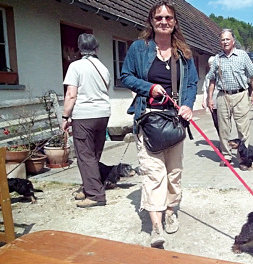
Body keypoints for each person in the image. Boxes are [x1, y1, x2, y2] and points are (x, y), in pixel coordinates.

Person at [120, 0, 198, 247]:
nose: (163, 22)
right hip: (149, 119)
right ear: (151, 22)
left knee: (174, 173)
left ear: (175, 22)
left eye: (168, 18)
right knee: (154, 174)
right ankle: (156, 227)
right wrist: (149, 87)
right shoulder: (138, 48)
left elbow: (192, 83)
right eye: (158, 18)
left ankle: (171, 211)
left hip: (175, 122)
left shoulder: (184, 52)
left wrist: (187, 105)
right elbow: (126, 76)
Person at [62, 33, 111, 208]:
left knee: (85, 156)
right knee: (94, 154)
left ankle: (96, 195)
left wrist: (65, 117)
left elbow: (71, 94)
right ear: (96, 48)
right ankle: (89, 187)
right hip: (103, 114)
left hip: (84, 116)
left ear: (79, 49)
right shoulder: (103, 68)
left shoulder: (75, 66)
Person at [207, 29, 253, 167]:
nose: (225, 42)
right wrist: (209, 98)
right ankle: (226, 156)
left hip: (241, 95)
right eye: (222, 40)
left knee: (243, 129)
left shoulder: (242, 56)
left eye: (227, 39)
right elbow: (211, 79)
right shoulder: (217, 58)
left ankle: (243, 157)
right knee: (224, 128)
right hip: (223, 96)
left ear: (233, 41)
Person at [202, 56, 219, 136]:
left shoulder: (221, 74)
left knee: (224, 123)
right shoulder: (207, 76)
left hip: (221, 101)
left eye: (212, 64)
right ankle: (222, 140)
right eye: (209, 64)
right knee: (216, 122)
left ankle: (226, 141)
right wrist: (204, 101)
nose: (211, 66)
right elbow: (205, 89)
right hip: (212, 103)